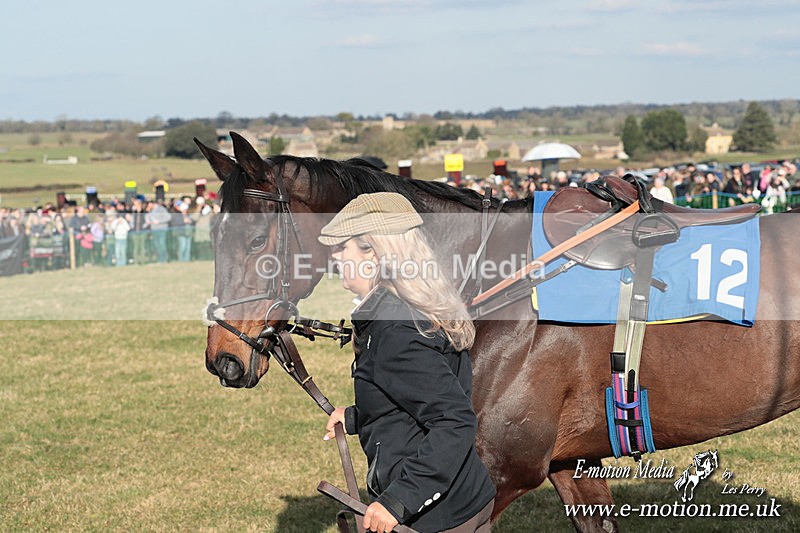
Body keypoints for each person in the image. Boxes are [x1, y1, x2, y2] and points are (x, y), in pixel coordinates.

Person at [320, 193, 496, 533]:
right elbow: (415, 397)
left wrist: (398, 500)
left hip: (436, 519)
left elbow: (454, 420)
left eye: (342, 248)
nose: (334, 256)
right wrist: (356, 415)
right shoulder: (406, 309)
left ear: (373, 252)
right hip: (459, 500)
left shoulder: (394, 329)